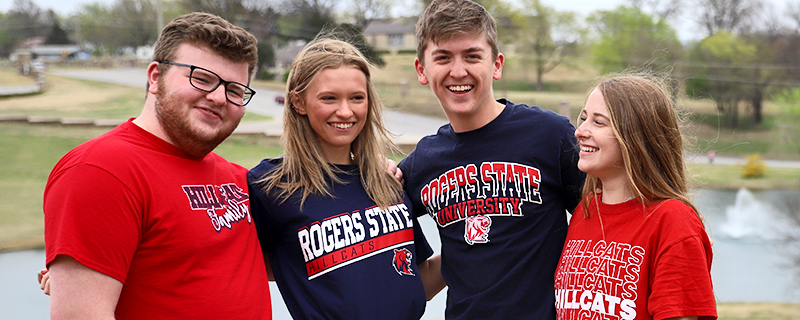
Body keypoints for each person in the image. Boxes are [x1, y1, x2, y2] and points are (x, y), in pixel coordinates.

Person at [40, 12, 271, 319]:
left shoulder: (240, 179)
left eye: (235, 91)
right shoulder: (100, 170)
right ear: (155, 77)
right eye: (201, 78)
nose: (218, 97)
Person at [397, 0, 586, 318]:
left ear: (496, 65)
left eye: (472, 56)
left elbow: (607, 226)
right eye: (443, 58)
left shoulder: (549, 135)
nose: (458, 71)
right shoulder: (423, 162)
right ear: (422, 70)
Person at [247, 37, 446, 319]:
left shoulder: (386, 182)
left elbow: (419, 280)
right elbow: (246, 270)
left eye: (356, 97)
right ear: (298, 102)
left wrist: (471, 247)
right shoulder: (271, 187)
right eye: (329, 97)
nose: (345, 111)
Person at [553, 74, 717, 320]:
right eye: (584, 118)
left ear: (635, 138)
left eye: (599, 123)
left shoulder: (673, 220)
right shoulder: (584, 211)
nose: (580, 131)